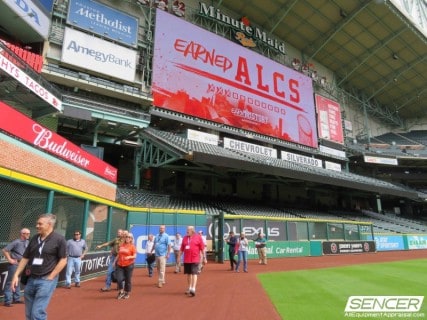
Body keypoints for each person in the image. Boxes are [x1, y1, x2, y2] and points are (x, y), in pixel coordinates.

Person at [11, 214, 67, 320]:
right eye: (37, 223)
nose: (37, 226)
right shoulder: (34, 238)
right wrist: (16, 275)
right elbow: (25, 258)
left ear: (49, 224)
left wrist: (51, 276)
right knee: (29, 314)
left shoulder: (59, 239)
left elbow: (63, 260)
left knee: (37, 313)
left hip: (46, 280)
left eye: (40, 223)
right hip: (31, 279)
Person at [2, 228, 31, 307]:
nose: (29, 235)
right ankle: (7, 301)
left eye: (29, 233)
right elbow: (5, 250)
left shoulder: (27, 242)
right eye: (27, 233)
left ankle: (16, 299)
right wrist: (9, 259)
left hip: (22, 264)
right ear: (22, 234)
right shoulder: (16, 242)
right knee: (10, 281)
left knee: (17, 280)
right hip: (14, 264)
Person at [180, 226, 207, 297]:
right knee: (188, 274)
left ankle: (193, 288)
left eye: (188, 230)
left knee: (194, 273)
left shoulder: (198, 237)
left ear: (192, 231)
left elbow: (202, 248)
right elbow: (182, 248)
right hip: (187, 259)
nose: (187, 231)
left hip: (195, 259)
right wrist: (178, 257)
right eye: (187, 230)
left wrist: (204, 258)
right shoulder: (185, 238)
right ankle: (189, 287)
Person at [115, 233, 137, 299]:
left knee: (128, 280)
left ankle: (127, 292)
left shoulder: (132, 246)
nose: (127, 238)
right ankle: (121, 292)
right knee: (119, 278)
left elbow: (135, 256)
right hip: (120, 264)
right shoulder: (121, 245)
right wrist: (114, 262)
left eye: (129, 237)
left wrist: (129, 257)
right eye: (126, 237)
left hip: (129, 265)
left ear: (131, 239)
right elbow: (118, 254)